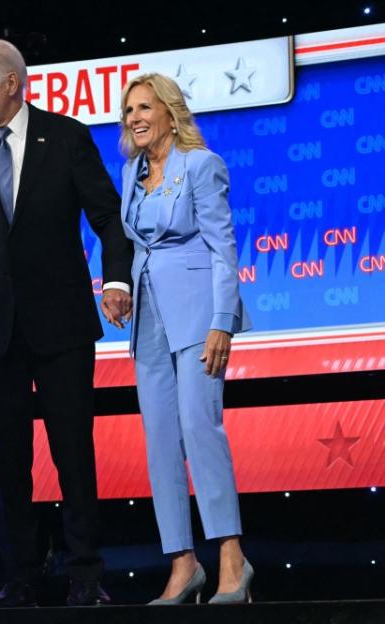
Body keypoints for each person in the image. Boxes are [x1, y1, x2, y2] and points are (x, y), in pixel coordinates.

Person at [0, 38, 133, 608]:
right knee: (8, 458)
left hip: (61, 321)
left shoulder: (66, 137)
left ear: (11, 82)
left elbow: (108, 217)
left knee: (73, 452)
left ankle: (85, 576)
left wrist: (116, 281)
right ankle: (20, 578)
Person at [114, 72, 254, 604]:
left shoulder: (202, 165)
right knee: (159, 443)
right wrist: (121, 289)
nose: (136, 118)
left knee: (201, 428)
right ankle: (182, 562)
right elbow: (136, 247)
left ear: (171, 112)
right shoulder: (130, 172)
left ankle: (231, 560)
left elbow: (224, 247)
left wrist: (224, 318)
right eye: (129, 111)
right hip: (149, 318)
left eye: (145, 107)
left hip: (199, 314)